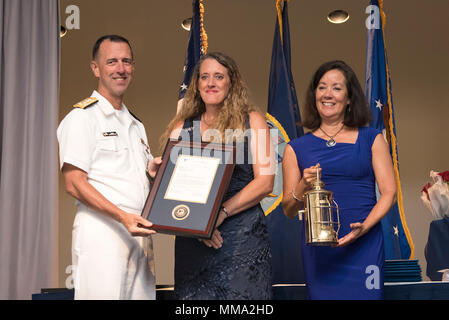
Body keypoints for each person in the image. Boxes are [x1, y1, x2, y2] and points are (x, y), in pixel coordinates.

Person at [162, 52, 275, 299]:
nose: (211, 83)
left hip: (241, 239)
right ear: (197, 84)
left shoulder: (253, 121)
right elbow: (167, 191)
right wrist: (155, 175)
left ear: (231, 83)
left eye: (219, 76)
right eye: (204, 77)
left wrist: (219, 215)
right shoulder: (182, 128)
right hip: (193, 242)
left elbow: (266, 182)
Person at [282, 60, 397, 300]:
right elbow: (289, 209)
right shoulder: (296, 148)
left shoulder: (372, 138)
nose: (328, 94)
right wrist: (303, 185)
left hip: (365, 244)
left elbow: (389, 193)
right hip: (321, 250)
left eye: (336, 88)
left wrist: (365, 226)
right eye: (322, 87)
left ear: (349, 98)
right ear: (314, 95)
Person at [57, 35, 159, 300]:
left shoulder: (137, 125)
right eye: (112, 62)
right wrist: (122, 217)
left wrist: (153, 175)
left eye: (126, 61)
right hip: (102, 235)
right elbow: (74, 183)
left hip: (139, 235)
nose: (120, 68)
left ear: (133, 67)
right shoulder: (82, 117)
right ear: (95, 68)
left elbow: (131, 179)